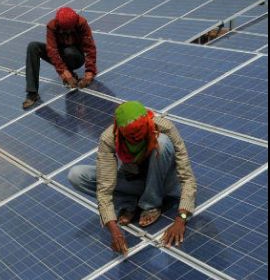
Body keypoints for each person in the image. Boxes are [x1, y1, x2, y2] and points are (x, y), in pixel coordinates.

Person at [67, 101, 197, 255]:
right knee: (76, 175)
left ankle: (151, 204)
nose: (136, 141)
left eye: (140, 136)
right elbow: (104, 188)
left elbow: (187, 178)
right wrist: (113, 229)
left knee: (161, 143)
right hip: (134, 179)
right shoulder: (109, 139)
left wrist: (181, 218)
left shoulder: (165, 127)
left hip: (163, 181)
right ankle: (129, 202)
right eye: (131, 138)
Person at [23, 7, 97, 109]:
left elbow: (90, 48)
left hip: (76, 56)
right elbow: (52, 50)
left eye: (69, 29)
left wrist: (90, 72)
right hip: (60, 56)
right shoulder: (52, 26)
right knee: (33, 46)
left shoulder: (82, 24)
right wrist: (63, 72)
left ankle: (71, 74)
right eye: (64, 29)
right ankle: (32, 93)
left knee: (69, 51)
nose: (66, 31)